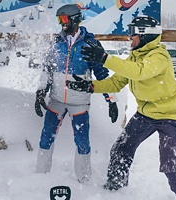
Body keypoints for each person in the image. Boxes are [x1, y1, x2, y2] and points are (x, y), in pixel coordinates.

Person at [66, 16, 176, 199]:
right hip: (145, 115)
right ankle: (116, 187)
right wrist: (90, 86)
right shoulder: (134, 56)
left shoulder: (159, 56)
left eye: (132, 33)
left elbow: (139, 72)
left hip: (169, 116)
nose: (129, 37)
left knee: (169, 162)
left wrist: (104, 58)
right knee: (121, 149)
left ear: (144, 35)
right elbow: (117, 82)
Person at [34, 4, 119, 184]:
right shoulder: (57, 43)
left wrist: (111, 100)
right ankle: (40, 176)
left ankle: (84, 178)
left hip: (79, 102)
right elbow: (47, 69)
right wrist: (41, 92)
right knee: (46, 136)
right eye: (59, 20)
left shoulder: (90, 44)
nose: (62, 24)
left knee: (82, 140)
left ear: (75, 19)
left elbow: (102, 73)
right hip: (56, 100)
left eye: (64, 19)